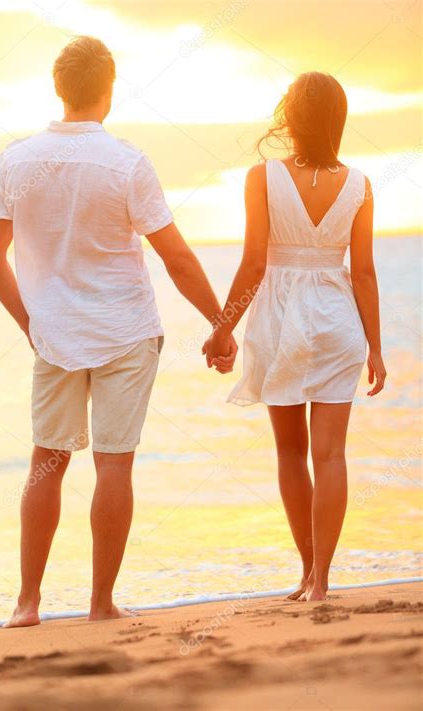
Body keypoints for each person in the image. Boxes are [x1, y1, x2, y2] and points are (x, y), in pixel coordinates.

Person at [0, 35, 236, 627]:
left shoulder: (16, 160)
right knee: (114, 465)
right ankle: (100, 605)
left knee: (47, 461)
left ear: (59, 89)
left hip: (56, 335)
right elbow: (177, 259)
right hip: (124, 331)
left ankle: (26, 604)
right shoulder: (126, 162)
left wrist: (30, 323)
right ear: (108, 91)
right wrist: (221, 327)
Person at [203, 72, 387, 601]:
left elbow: (255, 263)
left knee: (291, 453)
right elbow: (366, 272)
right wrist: (375, 346)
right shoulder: (360, 184)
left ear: (292, 116)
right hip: (337, 320)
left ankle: (308, 572)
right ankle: (322, 582)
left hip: (280, 319)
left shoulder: (262, 177)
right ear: (339, 120)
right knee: (331, 456)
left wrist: (222, 330)